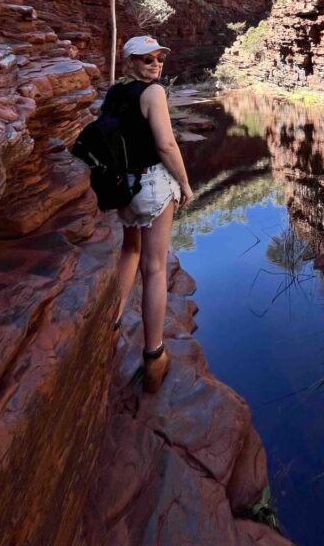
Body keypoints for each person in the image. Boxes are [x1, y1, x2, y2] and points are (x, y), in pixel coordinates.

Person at [106, 34, 193, 393]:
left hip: (124, 186)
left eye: (159, 58)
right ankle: (154, 355)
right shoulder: (154, 93)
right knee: (155, 268)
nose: (155, 64)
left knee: (131, 249)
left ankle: (111, 322)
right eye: (146, 59)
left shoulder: (114, 92)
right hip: (153, 185)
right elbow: (166, 144)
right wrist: (185, 185)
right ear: (129, 62)